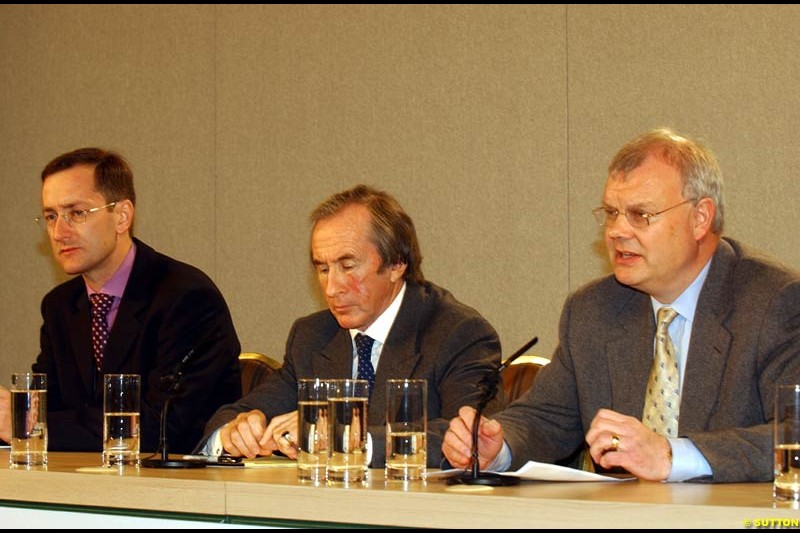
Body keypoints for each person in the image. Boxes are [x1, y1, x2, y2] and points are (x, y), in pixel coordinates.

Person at [443, 128, 800, 483]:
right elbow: (548, 417)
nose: (616, 231)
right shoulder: (595, 309)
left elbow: (793, 434)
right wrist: (498, 445)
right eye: (612, 213)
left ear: (700, 218)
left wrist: (671, 455)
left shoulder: (773, 301)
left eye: (640, 215)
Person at [201, 184, 501, 467]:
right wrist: (234, 433)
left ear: (396, 264)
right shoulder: (313, 336)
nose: (331, 288)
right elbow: (231, 416)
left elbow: (468, 436)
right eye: (322, 268)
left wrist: (346, 437)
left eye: (347, 266)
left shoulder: (458, 332)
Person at [0, 148, 241, 453]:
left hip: (183, 486)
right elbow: (49, 405)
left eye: (76, 213)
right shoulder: (60, 305)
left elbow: (160, 427)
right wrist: (14, 415)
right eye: (50, 216)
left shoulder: (186, 297)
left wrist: (26, 423)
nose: (59, 232)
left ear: (122, 216)